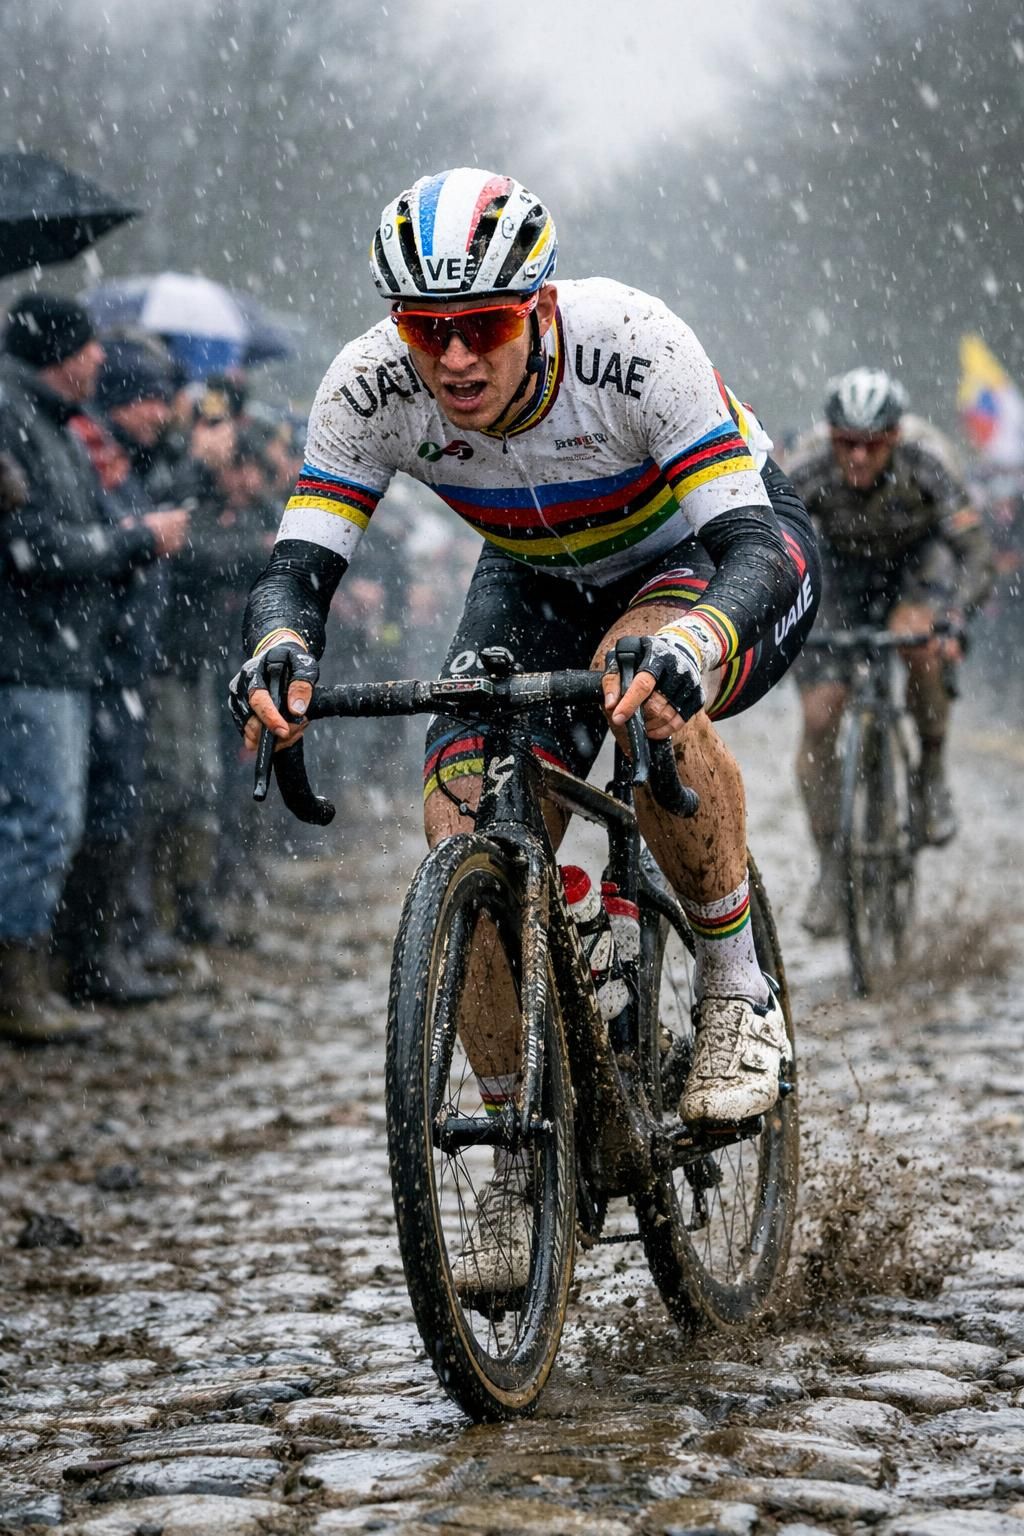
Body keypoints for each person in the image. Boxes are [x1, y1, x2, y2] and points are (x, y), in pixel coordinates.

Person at [229, 167, 820, 1290]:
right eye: (426, 329)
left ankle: (737, 989)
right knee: (459, 811)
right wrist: (277, 651)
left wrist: (691, 646)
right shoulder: (366, 386)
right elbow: (297, 569)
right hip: (538, 569)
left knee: (642, 689)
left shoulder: (633, 342)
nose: (452, 358)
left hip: (705, 549)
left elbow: (748, 546)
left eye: (484, 327)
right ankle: (513, 1147)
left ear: (540, 309)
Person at [0, 295, 181, 1041]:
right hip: (34, 656)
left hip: (64, 658)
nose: (102, 360)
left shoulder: (51, 425)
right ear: (60, 352)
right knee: (40, 823)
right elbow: (34, 545)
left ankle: (43, 978)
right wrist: (133, 540)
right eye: (89, 347)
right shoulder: (17, 419)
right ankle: (20, 991)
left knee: (58, 820)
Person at [784, 367, 995, 938]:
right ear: (829, 437)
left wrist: (953, 618)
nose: (856, 457)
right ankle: (830, 862)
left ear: (894, 439)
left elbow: (976, 553)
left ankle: (929, 774)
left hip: (912, 569)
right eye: (844, 443)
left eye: (870, 445)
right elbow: (765, 542)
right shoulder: (804, 464)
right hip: (837, 576)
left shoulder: (930, 461)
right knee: (820, 714)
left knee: (920, 641)